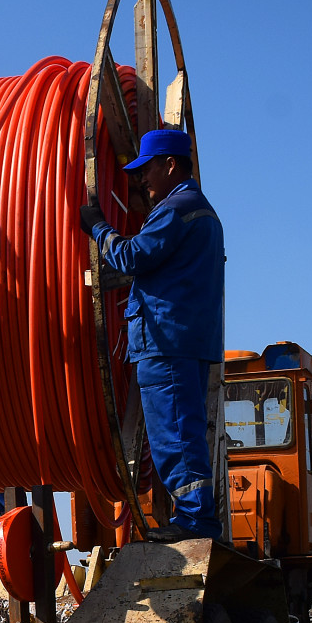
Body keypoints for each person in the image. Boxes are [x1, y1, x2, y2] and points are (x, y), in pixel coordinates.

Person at [78, 128, 226, 542]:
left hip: (166, 343)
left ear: (171, 165)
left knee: (175, 437)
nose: (142, 180)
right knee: (183, 433)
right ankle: (195, 520)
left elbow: (132, 257)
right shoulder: (202, 212)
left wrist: (99, 228)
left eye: (148, 169)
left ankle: (195, 523)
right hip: (184, 341)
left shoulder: (177, 209)